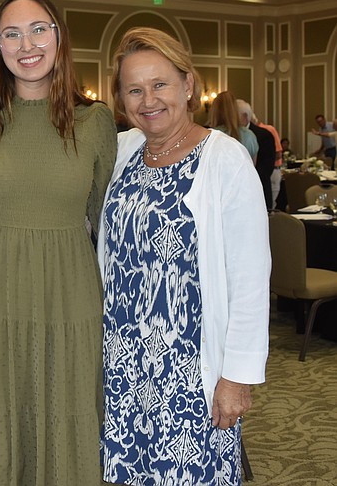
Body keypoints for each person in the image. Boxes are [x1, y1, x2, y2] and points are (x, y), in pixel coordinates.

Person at [0, 0, 116, 484]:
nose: (27, 44)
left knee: (64, 424)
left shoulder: (95, 121)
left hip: (69, 299)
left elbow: (109, 221)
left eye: (39, 29)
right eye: (11, 34)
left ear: (59, 37)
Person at [99, 27, 270, 485]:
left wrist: (236, 378)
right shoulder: (121, 151)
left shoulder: (225, 160)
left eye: (160, 85)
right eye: (134, 89)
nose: (147, 100)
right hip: (122, 364)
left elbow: (251, 278)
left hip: (191, 373)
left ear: (188, 85)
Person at [238, 99, 276, 209]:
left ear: (244, 117)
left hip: (259, 192)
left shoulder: (264, 135)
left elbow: (266, 168)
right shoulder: (229, 134)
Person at [207, 91, 257, 162]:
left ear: (214, 111)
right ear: (235, 109)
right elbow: (252, 167)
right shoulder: (249, 136)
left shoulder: (208, 136)